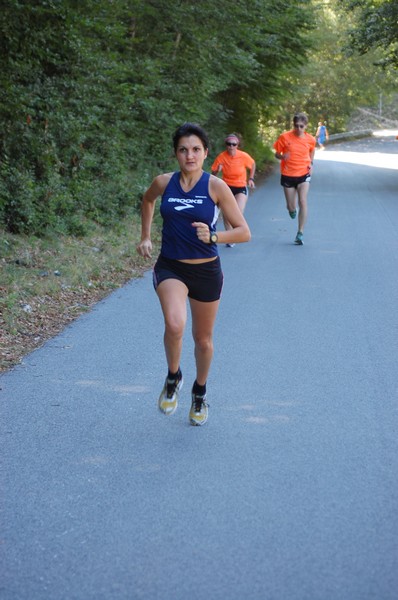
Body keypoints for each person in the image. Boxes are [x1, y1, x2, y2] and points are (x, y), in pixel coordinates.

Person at [137, 123, 251, 426]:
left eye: (196, 149)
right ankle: (174, 376)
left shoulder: (215, 186)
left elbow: (243, 232)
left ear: (205, 153)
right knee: (175, 325)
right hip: (171, 266)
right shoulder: (164, 183)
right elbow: (147, 200)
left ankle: (199, 391)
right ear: (176, 153)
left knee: (203, 340)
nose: (190, 155)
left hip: (206, 271)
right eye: (183, 150)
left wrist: (214, 237)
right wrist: (146, 236)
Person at [273, 113, 316, 245]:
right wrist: (282, 157)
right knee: (291, 206)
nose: (298, 129)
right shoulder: (284, 137)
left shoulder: (310, 139)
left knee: (303, 201)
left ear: (306, 126)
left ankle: (300, 232)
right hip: (288, 174)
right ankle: (291, 209)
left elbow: (312, 150)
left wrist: (311, 163)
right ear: (293, 125)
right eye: (296, 126)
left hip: (304, 173)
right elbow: (276, 154)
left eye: (301, 126)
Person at [211, 133, 256, 247]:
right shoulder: (221, 157)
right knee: (227, 213)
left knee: (237, 212)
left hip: (240, 187)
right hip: (226, 187)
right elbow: (213, 173)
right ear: (226, 145)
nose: (231, 147)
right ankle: (230, 237)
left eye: (233, 144)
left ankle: (234, 234)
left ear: (237, 145)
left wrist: (251, 178)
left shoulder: (243, 156)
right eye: (228, 144)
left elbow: (252, 164)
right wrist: (218, 170)